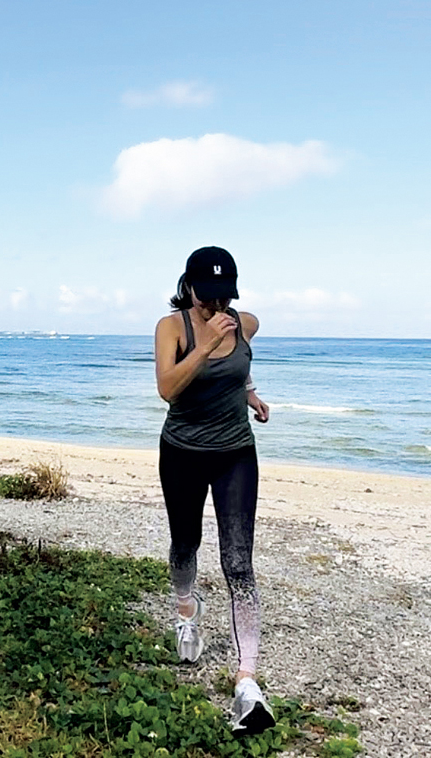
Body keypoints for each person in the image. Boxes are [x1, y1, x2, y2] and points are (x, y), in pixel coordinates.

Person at [154, 246, 275, 736]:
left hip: (234, 453)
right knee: (185, 544)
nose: (219, 308)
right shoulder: (172, 328)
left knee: (239, 562)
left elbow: (239, 366)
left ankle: (248, 684)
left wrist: (249, 392)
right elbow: (167, 387)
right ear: (190, 287)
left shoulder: (245, 322)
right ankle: (186, 611)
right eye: (211, 297)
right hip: (182, 450)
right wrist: (202, 346)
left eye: (227, 298)